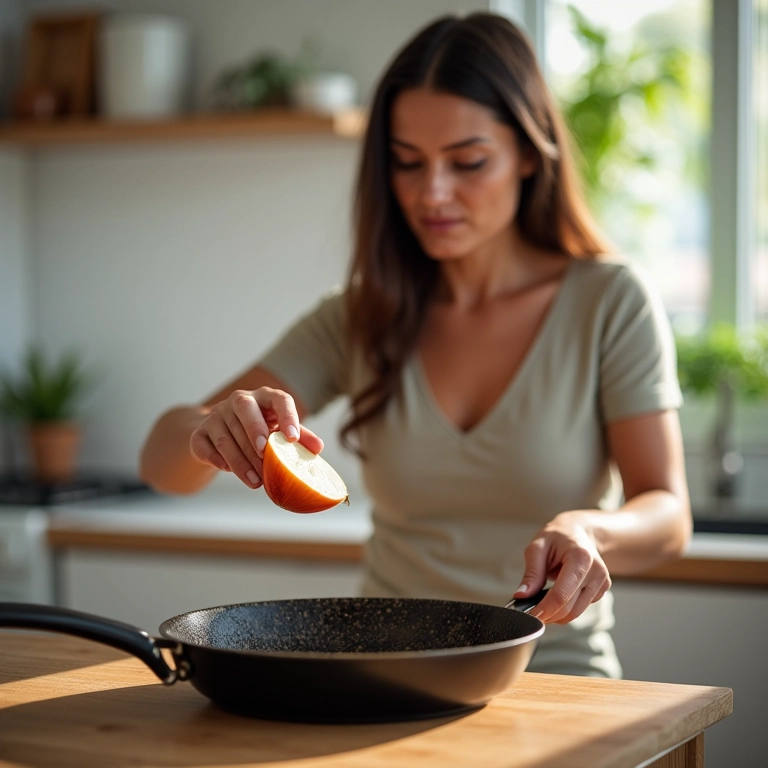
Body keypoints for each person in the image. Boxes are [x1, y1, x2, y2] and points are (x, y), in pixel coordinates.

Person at [140, 13, 692, 678]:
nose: (432, 193)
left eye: (468, 162)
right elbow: (159, 462)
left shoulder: (609, 300)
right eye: (407, 163)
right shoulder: (362, 315)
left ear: (527, 150)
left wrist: (589, 529)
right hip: (384, 676)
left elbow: (667, 513)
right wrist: (210, 430)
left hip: (559, 677)